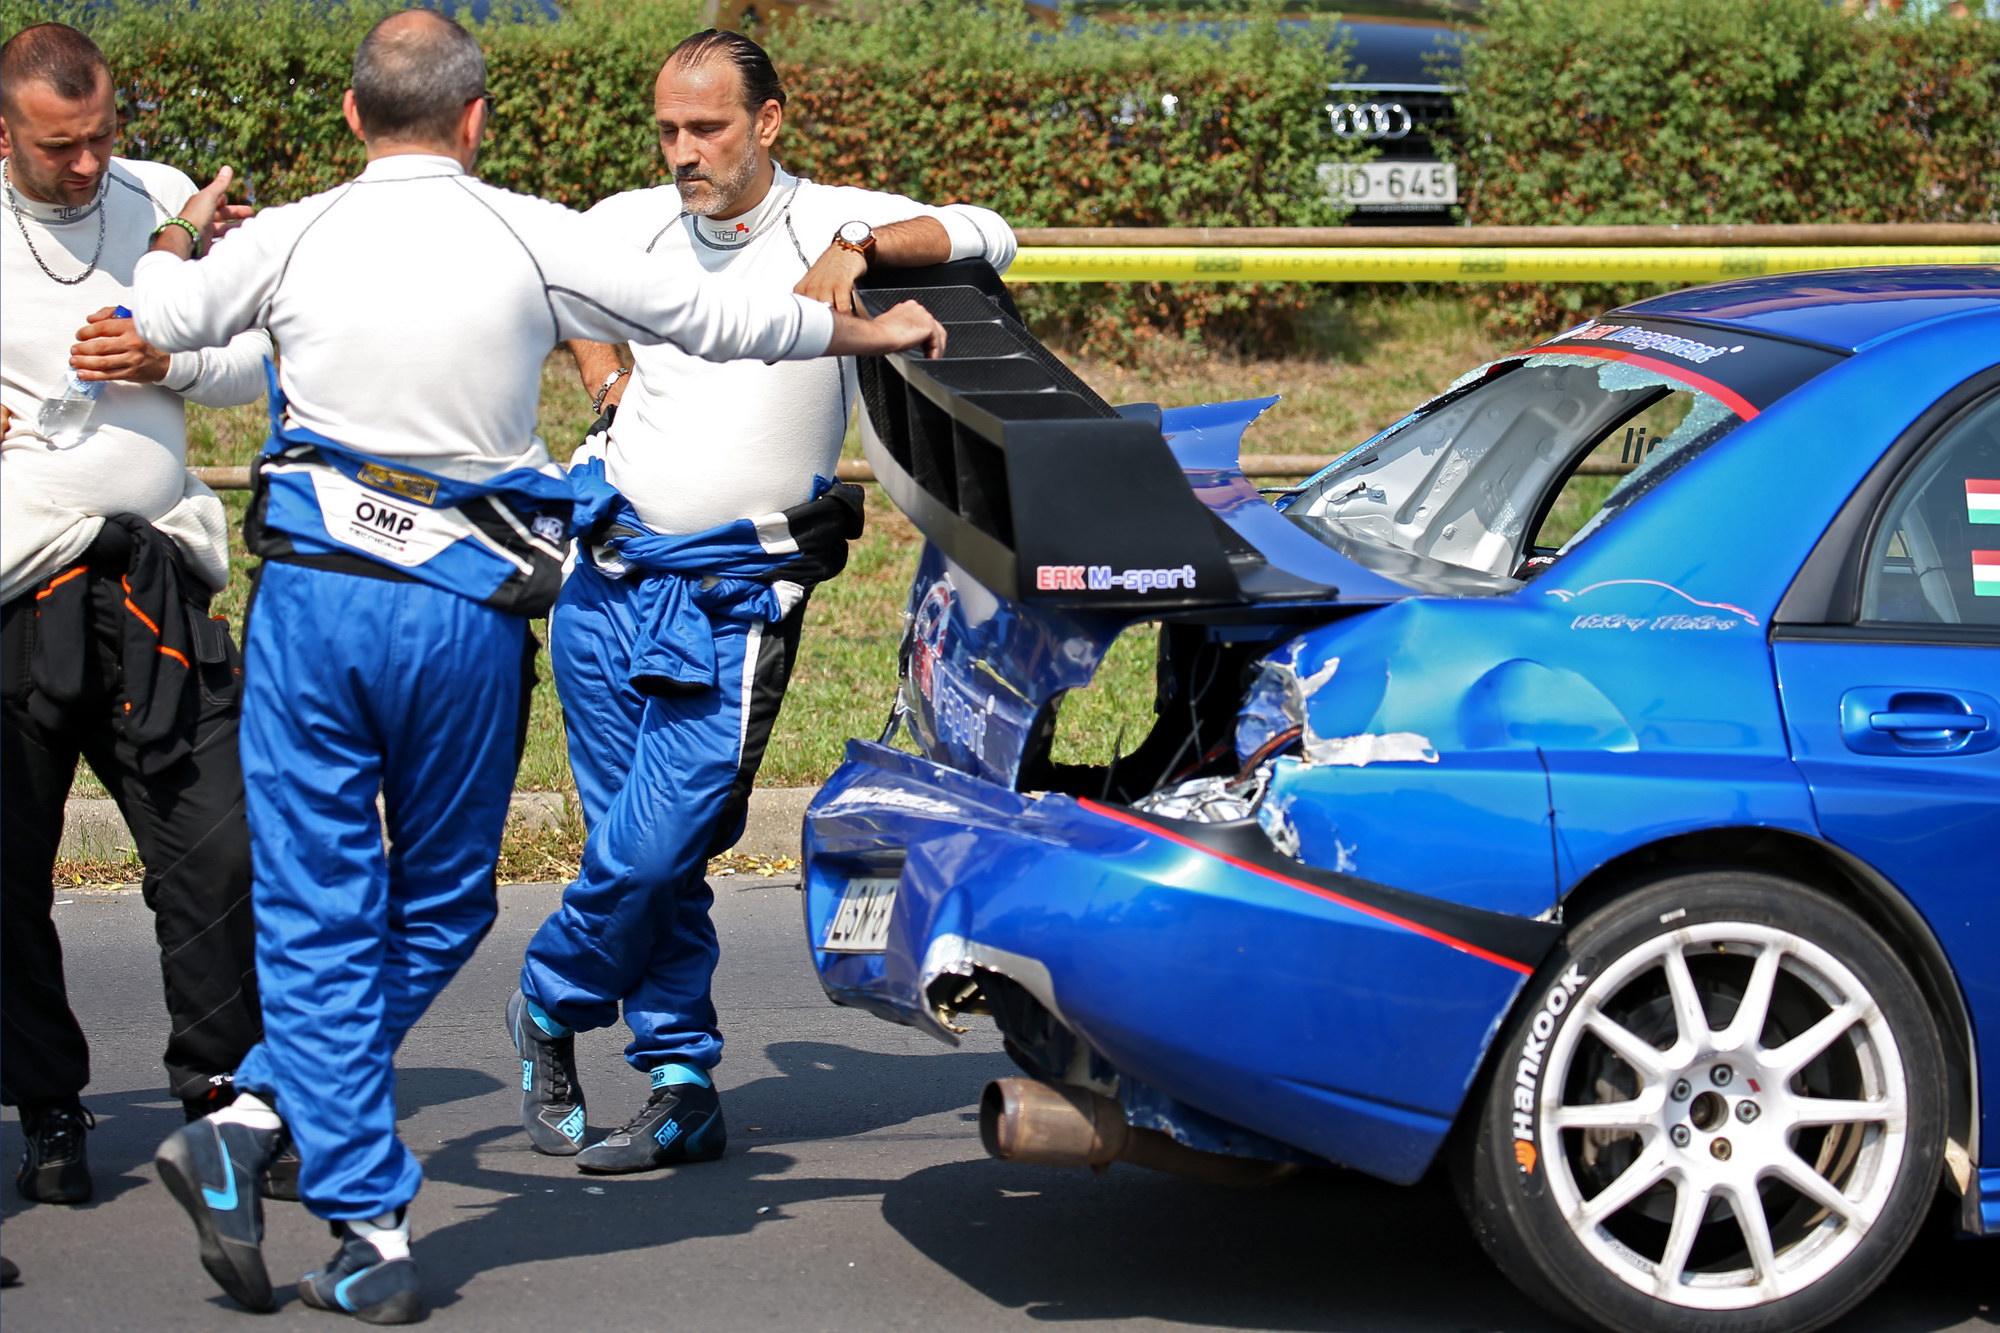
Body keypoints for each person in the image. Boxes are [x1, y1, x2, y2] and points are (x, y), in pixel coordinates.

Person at [135, 10, 944, 1324]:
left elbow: (158, 310)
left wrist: (182, 234)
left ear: (351, 119)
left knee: (314, 912)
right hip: (455, 614)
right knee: (442, 905)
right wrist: (870, 333)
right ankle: (289, 1143)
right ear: (474, 121)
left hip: (310, 607)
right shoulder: (536, 232)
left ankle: (329, 1186)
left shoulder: (293, 233)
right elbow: (733, 322)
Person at [508, 28, 1014, 1174]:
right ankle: (681, 1080)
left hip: (734, 594)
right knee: (640, 850)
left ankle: (547, 994)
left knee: (660, 839)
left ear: (767, 123)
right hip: (604, 578)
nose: (684, 152)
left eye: (708, 128)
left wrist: (859, 248)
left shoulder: (827, 217)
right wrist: (602, 375)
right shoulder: (627, 223)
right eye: (669, 130)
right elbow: (557, 286)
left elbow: (993, 235)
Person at [0, 21, 271, 1205]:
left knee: (219, 846)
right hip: (18, 588)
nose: (87, 165)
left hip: (157, 577)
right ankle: (49, 1108)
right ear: (2, 132)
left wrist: (165, 363)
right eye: (59, 147)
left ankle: (222, 1096)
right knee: (9, 874)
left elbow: (261, 353)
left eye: (102, 135)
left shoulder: (161, 201)